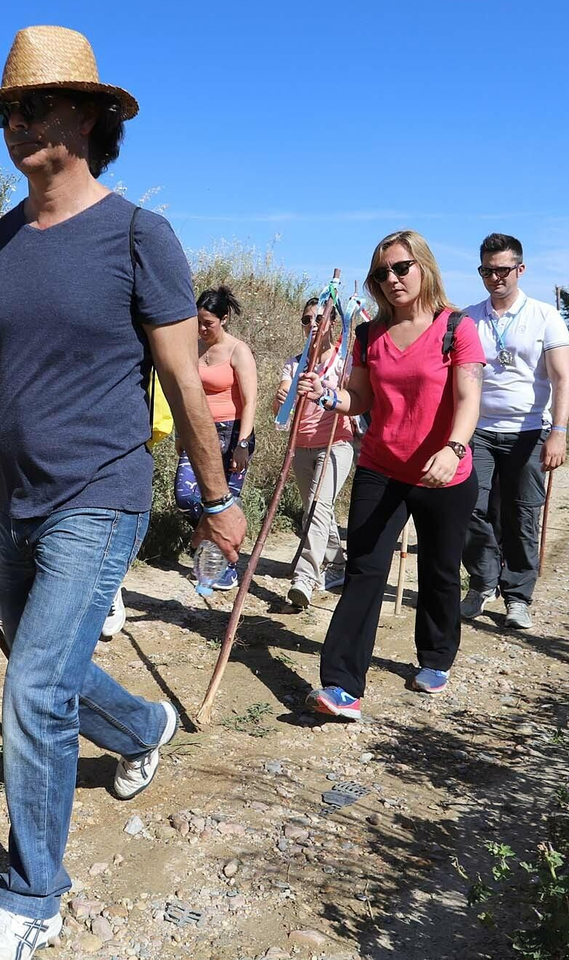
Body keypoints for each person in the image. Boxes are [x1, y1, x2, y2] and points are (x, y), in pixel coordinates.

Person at [0, 25, 245, 960]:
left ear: (89, 115)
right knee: (51, 666)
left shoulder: (136, 235)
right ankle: (144, 723)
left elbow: (183, 379)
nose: (16, 122)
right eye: (5, 110)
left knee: (33, 684)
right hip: (20, 498)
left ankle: (32, 899)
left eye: (34, 106)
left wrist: (215, 493)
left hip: (102, 492)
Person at [300, 230, 484, 723]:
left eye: (402, 268)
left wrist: (454, 447)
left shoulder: (456, 327)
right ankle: (341, 684)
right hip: (382, 467)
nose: (392, 279)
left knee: (440, 572)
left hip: (444, 472)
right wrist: (327, 395)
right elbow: (359, 400)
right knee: (364, 570)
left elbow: (469, 400)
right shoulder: (368, 335)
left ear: (424, 267)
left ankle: (436, 655)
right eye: (382, 273)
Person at [459, 233, 569, 631]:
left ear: (520, 270)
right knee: (469, 508)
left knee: (522, 515)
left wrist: (558, 431)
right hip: (479, 431)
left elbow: (562, 379)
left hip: (530, 432)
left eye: (503, 270)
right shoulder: (469, 317)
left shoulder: (545, 317)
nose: (495, 278)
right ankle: (483, 580)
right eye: (487, 271)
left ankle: (518, 596)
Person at [174, 286, 257, 592]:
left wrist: (243, 444)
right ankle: (215, 545)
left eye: (208, 323)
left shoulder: (239, 351)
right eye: (198, 322)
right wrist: (181, 432)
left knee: (225, 503)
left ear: (224, 319)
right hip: (198, 432)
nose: (202, 328)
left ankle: (227, 566)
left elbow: (250, 402)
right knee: (185, 497)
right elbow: (184, 393)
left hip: (233, 433)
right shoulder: (192, 348)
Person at [275, 297, 356, 610]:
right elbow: (280, 409)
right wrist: (283, 395)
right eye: (306, 320)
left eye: (318, 319)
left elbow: (354, 395)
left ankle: (305, 577)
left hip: (336, 444)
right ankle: (337, 565)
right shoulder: (295, 364)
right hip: (302, 447)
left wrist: (332, 391)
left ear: (331, 323)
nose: (312, 325)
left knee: (319, 506)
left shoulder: (343, 360)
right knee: (316, 510)